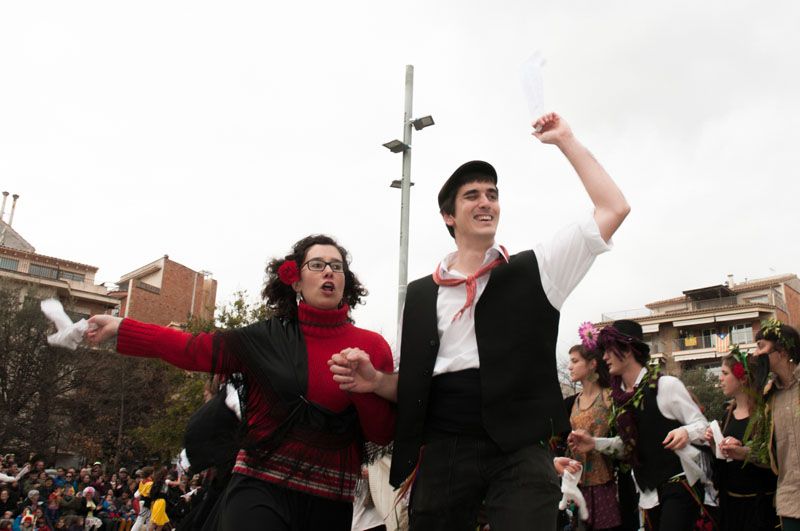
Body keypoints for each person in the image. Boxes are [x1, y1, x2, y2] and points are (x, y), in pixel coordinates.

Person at [330, 112, 629, 530]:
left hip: (520, 446)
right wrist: (377, 381)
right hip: (445, 444)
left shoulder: (538, 269)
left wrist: (566, 140)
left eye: (492, 194)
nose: (486, 202)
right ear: (448, 216)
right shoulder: (421, 294)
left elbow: (614, 207)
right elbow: (417, 384)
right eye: (472, 195)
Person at [87, 235, 395, 531]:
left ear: (345, 281)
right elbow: (192, 348)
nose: (328, 271)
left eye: (336, 266)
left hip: (330, 503)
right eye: (317, 264)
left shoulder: (371, 348)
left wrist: (364, 388)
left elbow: (381, 434)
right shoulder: (263, 338)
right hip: (259, 488)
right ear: (296, 281)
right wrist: (121, 327)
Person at [568, 320, 711, 530]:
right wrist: (594, 443)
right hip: (648, 494)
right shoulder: (620, 399)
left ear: (627, 350)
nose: (604, 357)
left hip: (679, 485)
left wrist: (685, 432)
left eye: (609, 350)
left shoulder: (665, 385)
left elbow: (703, 426)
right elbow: (628, 446)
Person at [705, 346, 777, 531]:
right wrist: (714, 444)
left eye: (724, 373)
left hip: (760, 508)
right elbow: (724, 461)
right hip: (732, 508)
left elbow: (773, 458)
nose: (720, 378)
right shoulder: (728, 414)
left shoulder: (764, 413)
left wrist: (744, 452)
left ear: (742, 378)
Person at [565, 335, 621, 530]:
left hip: (605, 482)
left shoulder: (608, 396)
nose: (570, 367)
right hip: (580, 484)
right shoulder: (574, 401)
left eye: (575, 361)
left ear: (592, 364)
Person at [752, 319, 800, 530]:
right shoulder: (769, 398)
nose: (755, 354)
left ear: (781, 351)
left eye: (760, 346)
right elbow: (765, 454)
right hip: (790, 501)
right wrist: (740, 451)